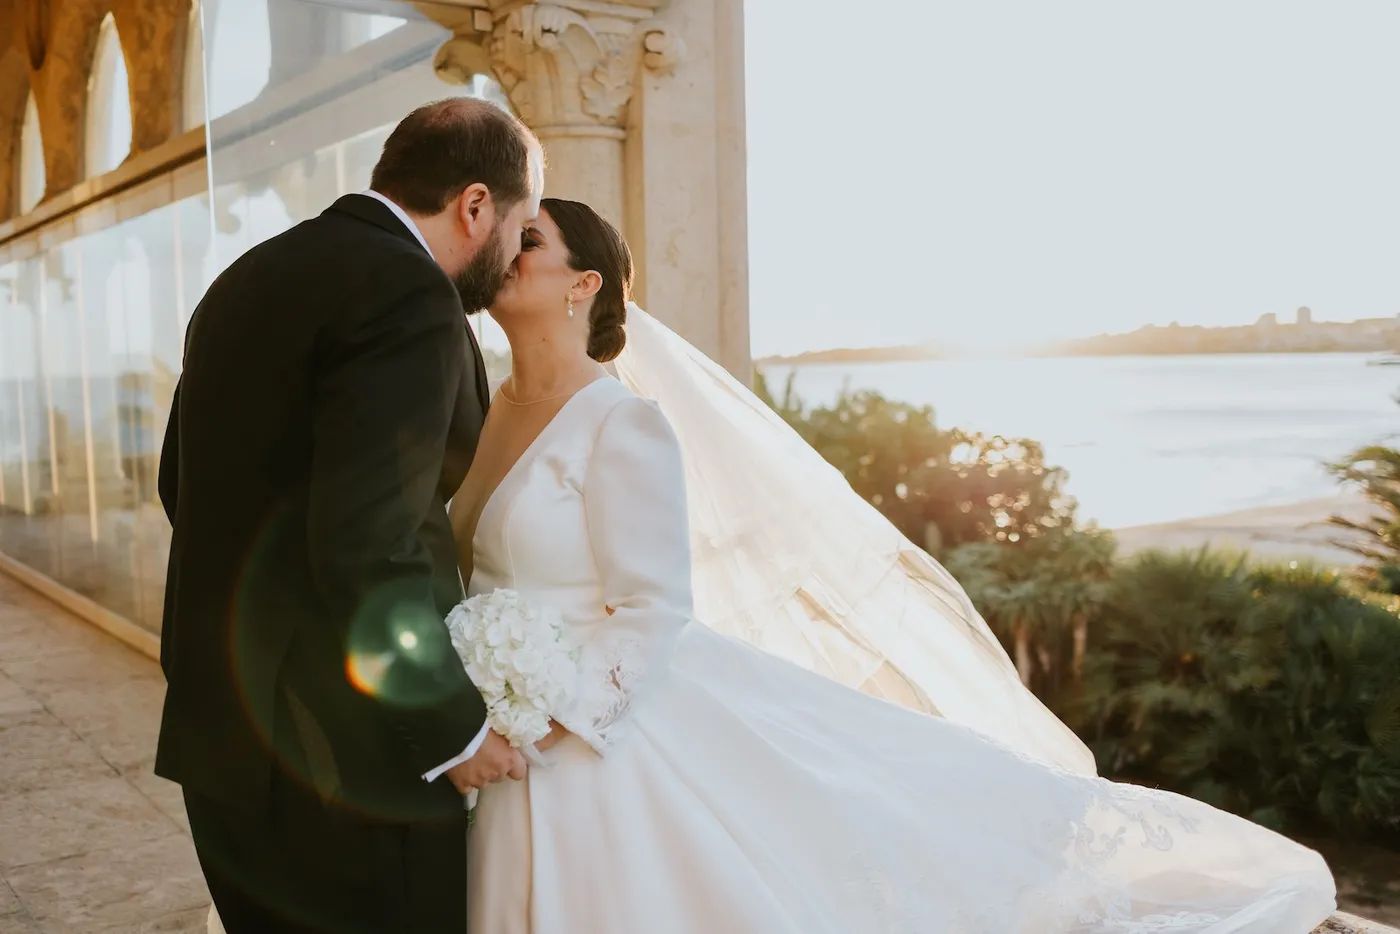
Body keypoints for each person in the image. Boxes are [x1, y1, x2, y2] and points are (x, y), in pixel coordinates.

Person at [455, 198, 1338, 932]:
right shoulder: (492, 410)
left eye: (528, 239)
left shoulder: (623, 422)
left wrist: (548, 719)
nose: (506, 248)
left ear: (584, 284)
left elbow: (653, 607)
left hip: (585, 740)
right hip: (503, 731)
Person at [157, 98, 543, 932]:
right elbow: (371, 540)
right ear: (476, 205)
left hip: (221, 739)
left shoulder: (246, 277)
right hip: (341, 762)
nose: (515, 253)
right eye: (522, 226)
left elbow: (177, 486)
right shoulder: (409, 293)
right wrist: (453, 731)